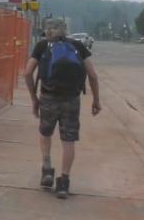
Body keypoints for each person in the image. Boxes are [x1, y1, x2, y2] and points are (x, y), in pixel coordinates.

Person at [23, 18, 101, 199]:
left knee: (45, 133)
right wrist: (96, 100)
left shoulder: (43, 46)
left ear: (49, 31)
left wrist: (34, 99)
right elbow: (93, 75)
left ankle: (47, 169)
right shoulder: (78, 46)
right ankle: (64, 183)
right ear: (64, 31)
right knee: (68, 140)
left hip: (48, 98)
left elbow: (27, 72)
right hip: (71, 99)